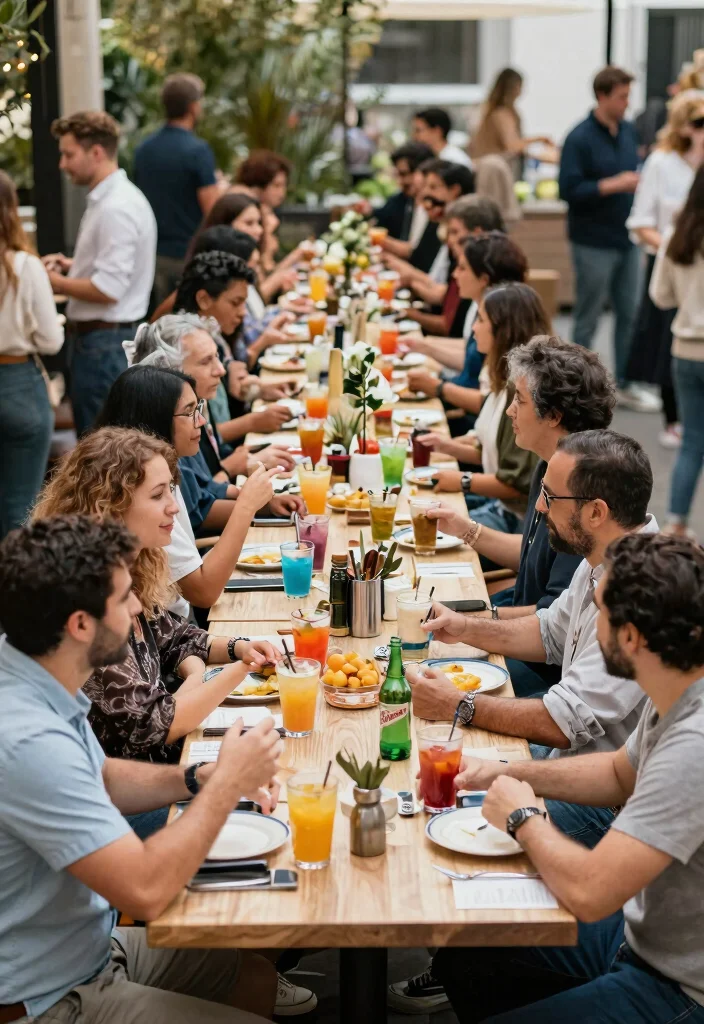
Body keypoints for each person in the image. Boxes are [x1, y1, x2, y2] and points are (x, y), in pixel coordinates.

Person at [389, 430, 656, 1015]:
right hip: (594, 804)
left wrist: (519, 807)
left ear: (595, 511)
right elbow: (550, 633)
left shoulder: (634, 592)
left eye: (550, 497)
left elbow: (568, 726)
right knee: (465, 923)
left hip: (652, 951)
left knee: (447, 853)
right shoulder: (604, 565)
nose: (538, 506)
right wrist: (464, 629)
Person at [0, 514, 286, 1023]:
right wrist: (226, 792)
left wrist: (199, 777)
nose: (138, 608)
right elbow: (148, 891)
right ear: (81, 624)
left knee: (254, 977)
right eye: (124, 597)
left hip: (92, 947)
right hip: (48, 999)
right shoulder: (26, 739)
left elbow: (103, 777)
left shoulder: (32, 669)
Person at [434, 533, 704, 1024]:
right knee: (467, 955)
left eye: (601, 613)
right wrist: (506, 770)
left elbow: (591, 891)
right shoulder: (680, 685)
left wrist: (524, 817)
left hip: (679, 989)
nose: (592, 624)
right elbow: (618, 772)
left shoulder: (694, 746)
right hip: (639, 936)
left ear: (630, 638)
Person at [31, 427, 283, 771]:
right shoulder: (87, 595)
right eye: (158, 495)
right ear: (111, 507)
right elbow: (156, 723)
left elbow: (176, 637)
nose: (173, 509)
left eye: (172, 492)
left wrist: (242, 646)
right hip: (136, 790)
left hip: (167, 768)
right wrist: (232, 671)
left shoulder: (127, 567)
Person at [424, 337, 615, 697]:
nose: (510, 410)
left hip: (546, 671)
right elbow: (532, 556)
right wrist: (467, 530)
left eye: (519, 401)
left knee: (425, 668)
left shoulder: (577, 492)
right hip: (525, 637)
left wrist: (476, 620)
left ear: (554, 416)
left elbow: (549, 620)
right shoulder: (549, 466)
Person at [96, 365, 285, 613]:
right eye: (189, 412)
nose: (202, 421)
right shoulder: (139, 494)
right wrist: (246, 507)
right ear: (154, 420)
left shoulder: (163, 472)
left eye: (199, 408)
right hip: (174, 635)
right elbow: (204, 592)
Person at [132, 313, 302, 535]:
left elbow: (206, 488)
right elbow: (198, 514)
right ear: (170, 371)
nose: (221, 370)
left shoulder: (192, 410)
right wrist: (254, 506)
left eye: (216, 357)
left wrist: (263, 503)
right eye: (205, 361)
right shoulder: (167, 429)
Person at [44, 111, 157, 435]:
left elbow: (109, 288)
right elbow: (111, 271)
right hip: (104, 341)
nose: (63, 164)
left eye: (68, 154)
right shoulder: (111, 200)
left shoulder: (115, 207)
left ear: (96, 152)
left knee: (102, 450)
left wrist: (53, 282)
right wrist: (73, 266)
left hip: (104, 344)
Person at [559, 66, 658, 411]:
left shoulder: (629, 132)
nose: (627, 103)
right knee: (588, 316)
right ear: (602, 96)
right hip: (592, 241)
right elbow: (568, 190)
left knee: (629, 312)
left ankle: (625, 383)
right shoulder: (579, 138)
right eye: (622, 96)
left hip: (626, 238)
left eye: (628, 96)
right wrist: (614, 183)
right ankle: (577, 386)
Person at [417, 283, 547, 534]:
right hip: (498, 506)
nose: (474, 328)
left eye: (481, 319)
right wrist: (445, 445)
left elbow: (516, 482)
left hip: (514, 521)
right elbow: (492, 452)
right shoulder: (500, 379)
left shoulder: (519, 391)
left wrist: (463, 481)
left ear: (503, 330)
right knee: (417, 508)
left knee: (424, 527)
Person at [625, 89, 704, 448]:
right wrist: (675, 250)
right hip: (674, 263)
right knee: (667, 340)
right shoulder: (661, 163)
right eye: (699, 122)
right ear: (683, 126)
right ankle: (674, 419)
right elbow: (640, 222)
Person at [405, 232, 528, 425]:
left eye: (462, 268)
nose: (454, 275)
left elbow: (494, 403)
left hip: (471, 421)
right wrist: (426, 346)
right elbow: (469, 356)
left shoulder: (502, 321)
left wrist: (439, 387)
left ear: (484, 280)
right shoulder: (487, 311)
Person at [0, 170, 64, 538]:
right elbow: (50, 342)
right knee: (21, 505)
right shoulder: (25, 266)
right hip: (20, 382)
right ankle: (18, 591)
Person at [650, 164, 704, 540]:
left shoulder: (677, 235)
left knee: (691, 442)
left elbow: (661, 295)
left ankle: (676, 522)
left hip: (685, 350)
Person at [133, 72, 219, 306]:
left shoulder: (144, 150)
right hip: (187, 255)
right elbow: (213, 209)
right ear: (193, 107)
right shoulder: (197, 151)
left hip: (151, 255)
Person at [402, 194, 506, 341]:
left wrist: (412, 316)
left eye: (455, 232)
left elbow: (451, 328)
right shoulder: (468, 263)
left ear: (477, 234)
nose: (449, 240)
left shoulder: (488, 277)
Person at [382, 159, 474, 306]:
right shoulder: (437, 225)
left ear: (455, 191)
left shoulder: (465, 241)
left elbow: (443, 296)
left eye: (432, 187)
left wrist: (410, 277)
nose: (424, 194)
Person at [469, 67, 553, 179]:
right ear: (513, 87)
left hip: (489, 168)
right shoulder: (501, 114)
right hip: (494, 172)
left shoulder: (491, 110)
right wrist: (540, 139)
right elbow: (512, 146)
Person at [372, 140, 434, 249]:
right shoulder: (407, 200)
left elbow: (415, 252)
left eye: (404, 174)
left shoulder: (433, 209)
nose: (400, 182)